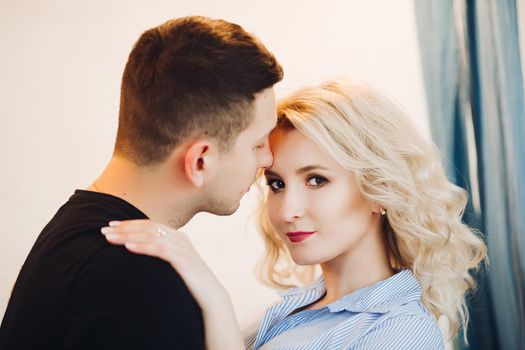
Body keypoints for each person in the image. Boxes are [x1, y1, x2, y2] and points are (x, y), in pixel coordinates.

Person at [101, 80, 488, 349]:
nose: (287, 211)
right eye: (276, 184)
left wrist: (213, 299)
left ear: (378, 191)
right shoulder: (290, 308)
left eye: (317, 180)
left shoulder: (400, 333)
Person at [0, 16, 283, 349]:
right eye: (257, 144)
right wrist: (218, 304)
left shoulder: (78, 236)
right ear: (200, 161)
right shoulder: (140, 287)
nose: (267, 161)